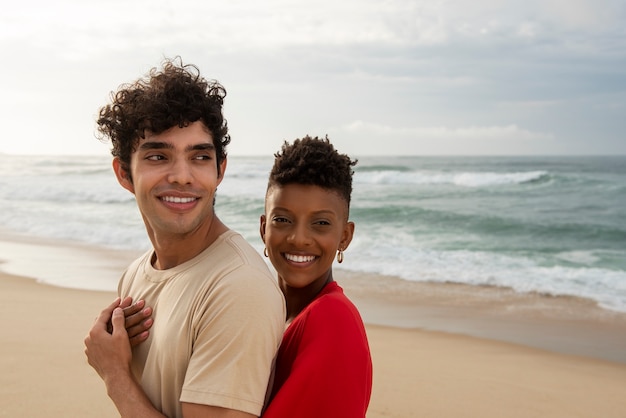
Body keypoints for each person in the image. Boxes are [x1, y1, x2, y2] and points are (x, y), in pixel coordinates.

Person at [83, 58, 286, 418]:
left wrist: (114, 374)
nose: (181, 176)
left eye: (199, 157)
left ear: (220, 170)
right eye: (159, 156)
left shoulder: (239, 288)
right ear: (124, 173)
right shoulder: (135, 275)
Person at [259, 136, 373, 417]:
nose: (299, 239)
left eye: (320, 223)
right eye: (282, 220)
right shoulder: (270, 315)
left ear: (344, 237)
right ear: (263, 228)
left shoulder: (333, 317)